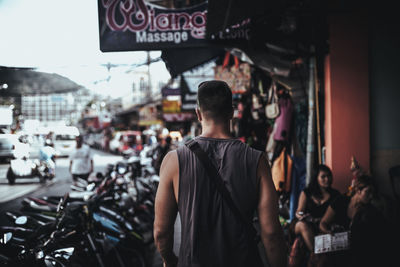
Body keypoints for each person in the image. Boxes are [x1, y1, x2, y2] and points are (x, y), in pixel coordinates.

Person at [153, 80, 287, 267]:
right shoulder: (257, 160)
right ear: (232, 112)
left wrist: (169, 260)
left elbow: (161, 232)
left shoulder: (173, 161)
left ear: (198, 114)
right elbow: (271, 233)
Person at [318, 175, 388, 267]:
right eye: (368, 192)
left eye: (373, 193)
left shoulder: (370, 211)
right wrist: (328, 232)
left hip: (356, 250)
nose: (371, 196)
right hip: (337, 245)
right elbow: (323, 223)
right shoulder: (341, 200)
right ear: (358, 191)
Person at [290, 165, 340, 253]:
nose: (327, 179)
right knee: (303, 225)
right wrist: (301, 215)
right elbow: (299, 211)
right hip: (305, 223)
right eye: (323, 176)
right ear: (316, 178)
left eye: (329, 176)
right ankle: (315, 254)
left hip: (323, 225)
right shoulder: (307, 193)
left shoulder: (335, 195)